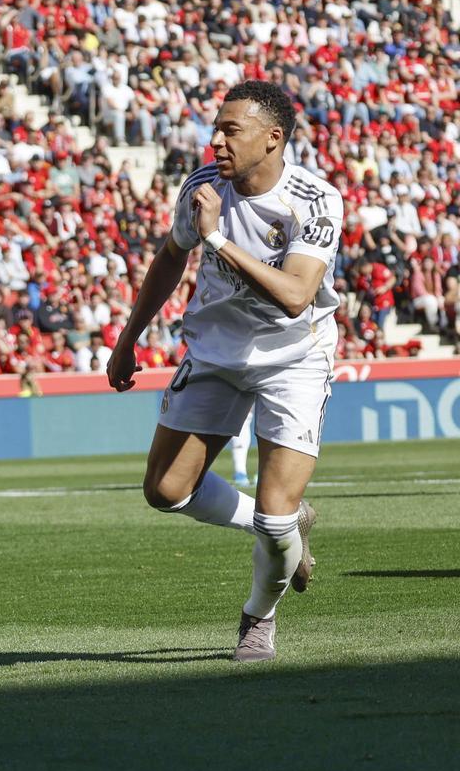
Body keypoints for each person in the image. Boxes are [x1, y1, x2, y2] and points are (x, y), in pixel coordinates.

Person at [106, 81, 343, 663]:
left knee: (274, 519)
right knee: (165, 490)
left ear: (273, 138)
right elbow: (170, 257)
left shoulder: (315, 199)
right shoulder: (203, 187)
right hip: (214, 352)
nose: (215, 140)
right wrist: (128, 338)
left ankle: (258, 618)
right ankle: (284, 523)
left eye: (230, 130)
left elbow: (296, 296)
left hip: (295, 358)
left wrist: (215, 236)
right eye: (216, 128)